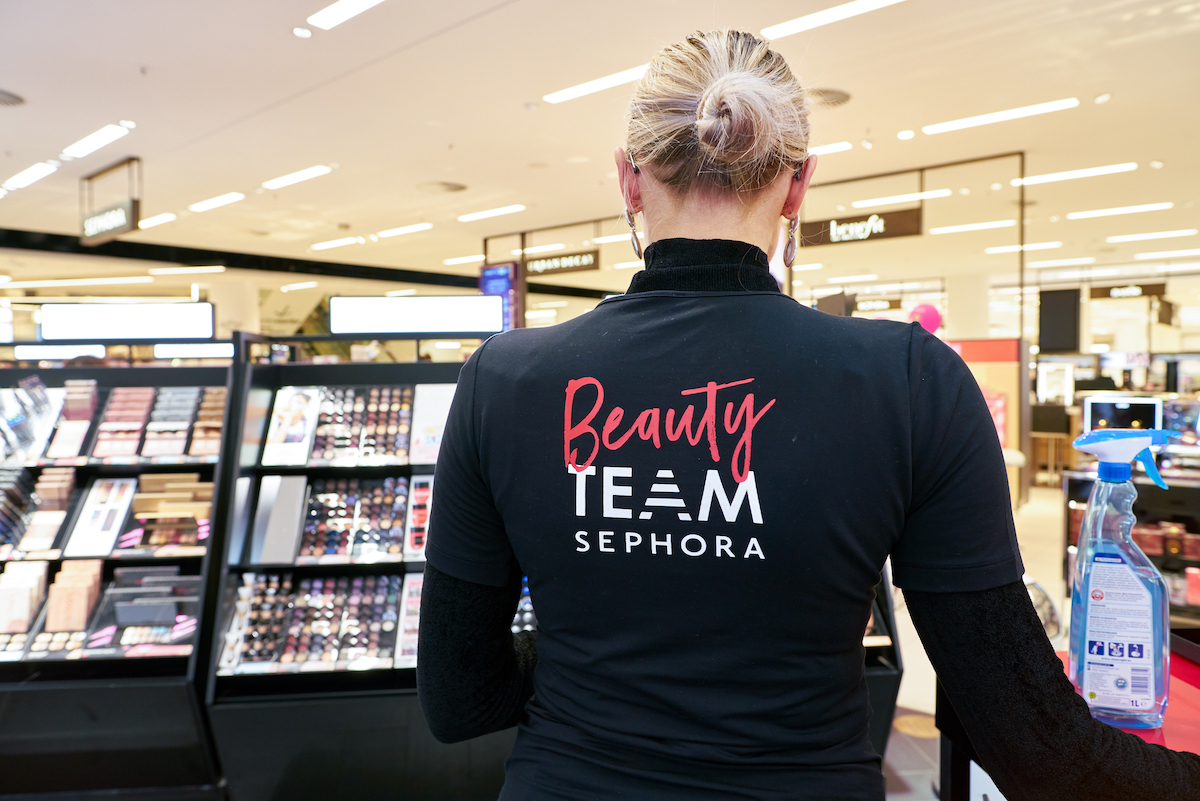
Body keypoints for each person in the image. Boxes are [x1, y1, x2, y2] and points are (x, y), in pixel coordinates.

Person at [417, 29, 1200, 801]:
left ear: (627, 178)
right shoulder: (910, 382)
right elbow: (1036, 747)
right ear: (798, 185)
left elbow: (459, 698)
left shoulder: (503, 381)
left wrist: (588, 664)